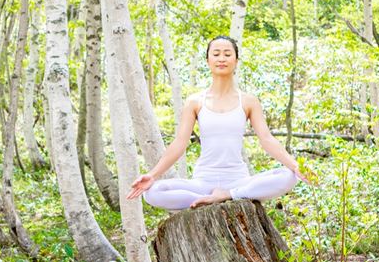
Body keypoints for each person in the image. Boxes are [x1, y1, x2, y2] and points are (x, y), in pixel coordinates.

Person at [127, 35, 309, 210]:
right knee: (152, 193)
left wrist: (296, 166)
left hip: (238, 180)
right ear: (208, 61)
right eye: (216, 54)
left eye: (227, 54)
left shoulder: (248, 101)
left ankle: (229, 195)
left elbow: (267, 139)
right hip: (203, 182)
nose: (222, 58)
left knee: (289, 175)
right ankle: (205, 199)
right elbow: (180, 143)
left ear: (236, 61)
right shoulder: (195, 101)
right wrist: (152, 175)